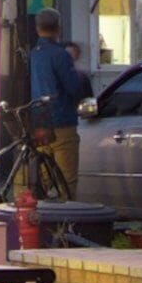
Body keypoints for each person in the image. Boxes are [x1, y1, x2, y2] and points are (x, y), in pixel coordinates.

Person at [24, 10, 89, 199]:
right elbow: (73, 87)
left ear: (37, 29)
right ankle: (65, 221)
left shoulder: (33, 55)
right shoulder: (60, 55)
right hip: (62, 120)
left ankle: (42, 218)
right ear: (58, 28)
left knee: (42, 176)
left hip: (38, 122)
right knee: (66, 179)